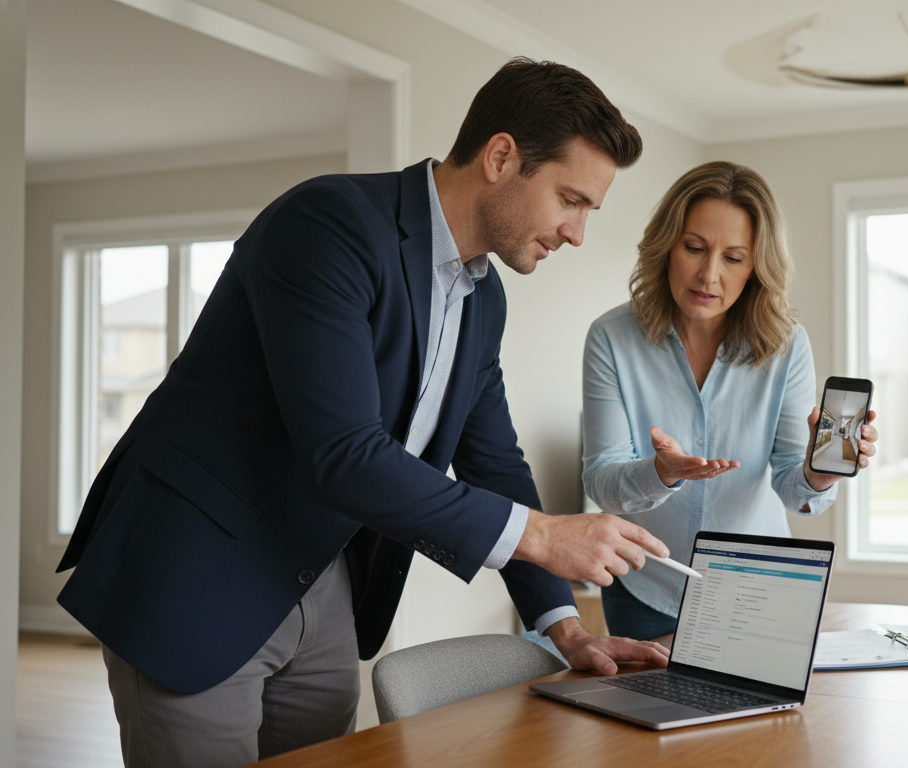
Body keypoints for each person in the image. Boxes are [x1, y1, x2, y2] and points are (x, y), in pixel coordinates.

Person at [55, 58, 672, 768]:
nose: (577, 232)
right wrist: (541, 535)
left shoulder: (484, 298)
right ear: (502, 157)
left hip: (322, 580)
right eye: (571, 199)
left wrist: (564, 626)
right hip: (196, 570)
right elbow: (344, 453)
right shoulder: (328, 223)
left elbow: (494, 461)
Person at [581, 161, 879, 640]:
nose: (709, 275)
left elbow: (793, 489)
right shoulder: (611, 338)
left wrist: (818, 474)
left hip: (756, 587)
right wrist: (661, 473)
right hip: (646, 585)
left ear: (756, 266)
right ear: (666, 245)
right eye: (694, 248)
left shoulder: (786, 347)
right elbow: (601, 481)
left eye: (733, 258)